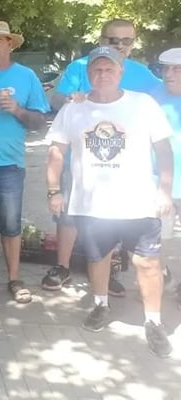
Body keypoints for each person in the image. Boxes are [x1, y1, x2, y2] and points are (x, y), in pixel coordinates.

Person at [46, 45, 173, 358]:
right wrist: (54, 190)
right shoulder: (73, 109)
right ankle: (100, 304)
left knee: (147, 262)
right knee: (98, 257)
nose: (103, 74)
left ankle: (153, 321)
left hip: (138, 202)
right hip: (91, 204)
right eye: (97, 69)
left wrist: (164, 191)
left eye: (109, 69)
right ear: (88, 73)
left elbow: (163, 150)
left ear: (121, 72)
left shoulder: (142, 104)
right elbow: (57, 151)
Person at [43, 19, 161, 294]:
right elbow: (56, 99)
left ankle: (107, 273)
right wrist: (71, 100)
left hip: (125, 165)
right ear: (101, 39)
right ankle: (62, 266)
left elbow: (164, 96)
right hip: (80, 161)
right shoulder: (80, 67)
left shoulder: (142, 73)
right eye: (113, 40)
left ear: (133, 43)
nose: (120, 45)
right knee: (69, 217)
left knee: (117, 219)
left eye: (126, 40)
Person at [0, 22, 49, 303]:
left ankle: (14, 278)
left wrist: (16, 109)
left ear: (10, 44)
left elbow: (40, 122)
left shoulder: (26, 76)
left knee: (10, 226)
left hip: (8, 166)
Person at [150, 47, 181, 306]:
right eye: (165, 68)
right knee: (153, 240)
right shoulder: (152, 98)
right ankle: (161, 279)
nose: (169, 74)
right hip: (158, 183)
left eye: (176, 69)